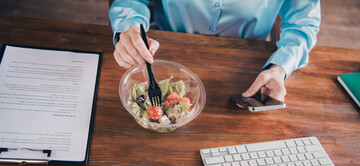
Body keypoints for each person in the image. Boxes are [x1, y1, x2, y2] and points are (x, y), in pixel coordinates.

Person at [109, 0, 320, 102]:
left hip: (249, 76)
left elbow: (303, 24)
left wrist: (280, 67)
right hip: (162, 59)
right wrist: (129, 25)